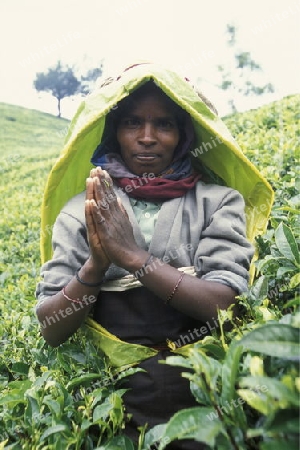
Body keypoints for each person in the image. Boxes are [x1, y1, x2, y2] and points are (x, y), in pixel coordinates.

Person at [35, 62, 273, 449]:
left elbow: (223, 304)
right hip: (113, 411)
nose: (148, 137)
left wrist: (133, 258)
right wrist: (96, 265)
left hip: (205, 403)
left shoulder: (217, 202)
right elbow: (51, 327)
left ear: (183, 135)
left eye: (164, 124)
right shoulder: (83, 210)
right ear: (114, 132)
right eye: (132, 123)